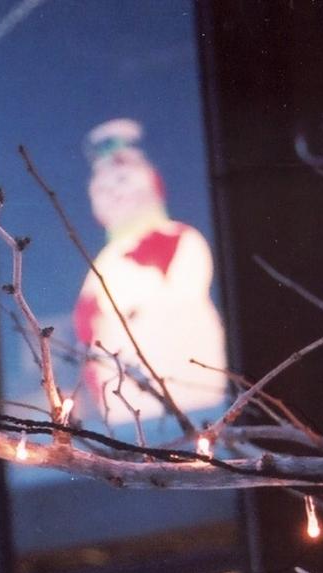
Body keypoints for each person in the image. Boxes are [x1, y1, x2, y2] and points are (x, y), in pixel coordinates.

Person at [73, 118, 228, 425]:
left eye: (122, 180)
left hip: (184, 382)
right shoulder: (105, 261)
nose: (114, 192)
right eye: (103, 187)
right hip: (126, 401)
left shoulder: (178, 237)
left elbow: (181, 291)